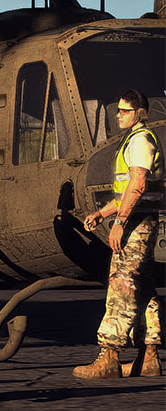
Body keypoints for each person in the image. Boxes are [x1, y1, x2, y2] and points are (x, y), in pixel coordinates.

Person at [76, 90, 163, 378]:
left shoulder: (140, 140)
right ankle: (149, 357)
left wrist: (119, 223)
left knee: (121, 284)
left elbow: (137, 185)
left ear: (139, 113)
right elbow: (128, 190)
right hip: (139, 219)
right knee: (144, 289)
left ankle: (109, 357)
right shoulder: (135, 140)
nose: (118, 115)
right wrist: (103, 213)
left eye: (124, 111)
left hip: (137, 223)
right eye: (118, 110)